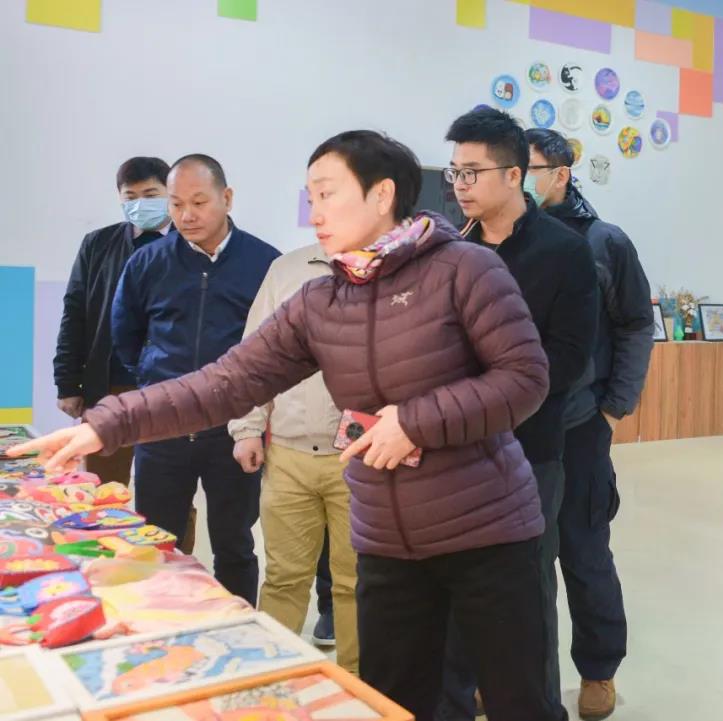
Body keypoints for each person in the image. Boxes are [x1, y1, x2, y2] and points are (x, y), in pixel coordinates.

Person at [11, 130, 564, 721]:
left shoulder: (465, 268)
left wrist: (415, 422)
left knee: (518, 701)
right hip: (386, 538)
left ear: (381, 195)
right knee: (396, 700)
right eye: (310, 196)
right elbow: (225, 382)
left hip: (485, 530)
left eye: (327, 194)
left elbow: (525, 378)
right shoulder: (320, 299)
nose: (314, 212)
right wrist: (108, 423)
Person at [438, 108, 596, 721]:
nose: (461, 185)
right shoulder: (450, 250)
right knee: (452, 589)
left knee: (526, 591)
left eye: (473, 172)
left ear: (514, 175)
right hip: (453, 450)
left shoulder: (565, 251)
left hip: (530, 448)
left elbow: (569, 357)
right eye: (455, 172)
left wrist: (489, 400)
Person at [524, 128, 654, 720]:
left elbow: (635, 324)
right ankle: (513, 672)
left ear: (561, 174)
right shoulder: (495, 238)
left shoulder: (604, 242)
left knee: (583, 551)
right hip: (513, 429)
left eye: (531, 168)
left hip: (579, 426)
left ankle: (599, 669)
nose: (520, 178)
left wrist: (612, 406)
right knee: (517, 558)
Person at [110, 154, 280, 604]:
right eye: (176, 203)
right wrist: (157, 385)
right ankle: (160, 627)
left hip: (233, 430)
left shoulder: (265, 263)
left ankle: (238, 629)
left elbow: (277, 347)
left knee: (234, 545)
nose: (186, 215)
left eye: (199, 202)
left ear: (227, 198)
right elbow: (125, 335)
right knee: (155, 543)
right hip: (161, 429)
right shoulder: (148, 262)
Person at [228, 244, 358, 671]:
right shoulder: (285, 270)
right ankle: (273, 677)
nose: (321, 214)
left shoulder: (392, 268)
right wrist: (248, 428)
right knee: (284, 578)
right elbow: (255, 359)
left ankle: (357, 685)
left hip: (357, 458)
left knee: (355, 582)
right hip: (287, 455)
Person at [54, 157, 172, 485]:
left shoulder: (189, 245)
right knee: (102, 485)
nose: (140, 204)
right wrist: (67, 384)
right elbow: (74, 314)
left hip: (170, 388)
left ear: (170, 193)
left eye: (150, 195)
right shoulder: (98, 245)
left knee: (168, 490)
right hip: (109, 386)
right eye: (130, 197)